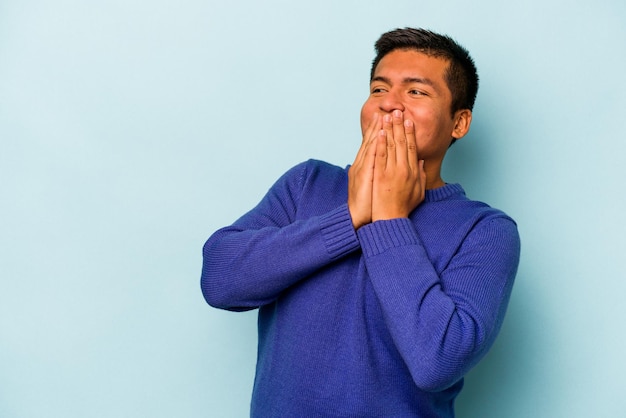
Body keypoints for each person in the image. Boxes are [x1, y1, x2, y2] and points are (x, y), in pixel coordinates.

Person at [201, 27, 520, 417]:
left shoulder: (485, 231)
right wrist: (352, 216)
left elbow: (437, 361)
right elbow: (219, 279)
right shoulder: (307, 184)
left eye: (416, 92)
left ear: (459, 122)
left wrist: (388, 215)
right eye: (379, 89)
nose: (390, 105)